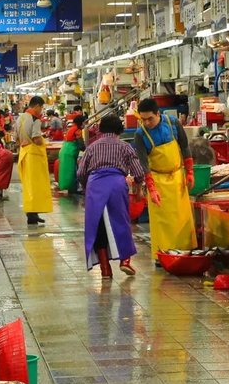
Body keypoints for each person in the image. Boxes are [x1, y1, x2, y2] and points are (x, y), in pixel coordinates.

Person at [78, 115, 145, 278]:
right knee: (121, 221)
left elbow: (80, 173)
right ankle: (125, 261)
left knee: (98, 226)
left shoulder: (92, 147)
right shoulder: (125, 146)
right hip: (116, 184)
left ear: (101, 130)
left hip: (95, 185)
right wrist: (138, 186)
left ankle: (105, 269)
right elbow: (138, 172)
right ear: (119, 130)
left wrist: (88, 186)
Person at [133, 98, 196, 260]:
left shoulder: (173, 123)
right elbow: (143, 164)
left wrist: (190, 172)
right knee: (162, 223)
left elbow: (184, 146)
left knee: (182, 219)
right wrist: (151, 189)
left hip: (178, 178)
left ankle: (186, 253)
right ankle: (162, 256)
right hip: (157, 181)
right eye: (143, 119)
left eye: (150, 118)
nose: (147, 123)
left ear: (158, 114)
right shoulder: (140, 134)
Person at [15, 96, 52, 225]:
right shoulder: (35, 119)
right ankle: (32, 214)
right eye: (41, 107)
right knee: (37, 186)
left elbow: (16, 139)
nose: (41, 110)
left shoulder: (20, 118)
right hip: (34, 156)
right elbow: (36, 138)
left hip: (23, 154)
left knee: (28, 186)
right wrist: (44, 142)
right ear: (36, 106)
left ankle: (32, 214)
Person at [58, 114, 87, 195]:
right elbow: (81, 145)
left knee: (66, 171)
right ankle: (74, 189)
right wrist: (87, 150)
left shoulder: (72, 128)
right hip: (70, 152)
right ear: (81, 123)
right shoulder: (78, 130)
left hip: (65, 150)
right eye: (84, 122)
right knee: (72, 171)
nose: (85, 124)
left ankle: (69, 188)